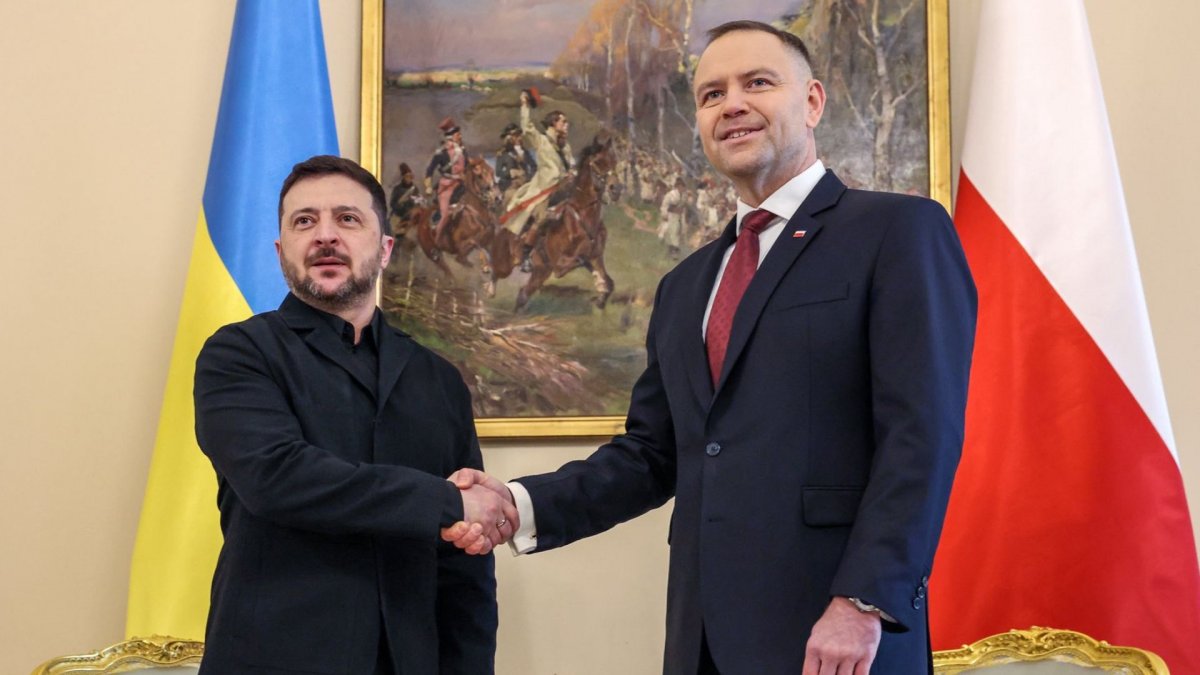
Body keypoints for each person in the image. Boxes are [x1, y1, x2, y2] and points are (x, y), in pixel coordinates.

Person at [446, 20, 977, 675]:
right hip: (702, 637)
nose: (732, 105)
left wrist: (863, 600)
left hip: (839, 632)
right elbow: (651, 454)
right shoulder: (685, 284)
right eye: (711, 94)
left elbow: (921, 435)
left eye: (758, 83)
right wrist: (518, 503)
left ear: (812, 101)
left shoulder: (897, 230)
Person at [194, 155, 517, 674]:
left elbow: (464, 563)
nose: (325, 235)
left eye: (347, 219)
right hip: (274, 660)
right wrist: (446, 502)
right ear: (281, 251)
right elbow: (277, 478)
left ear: (384, 249)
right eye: (304, 221)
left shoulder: (439, 379)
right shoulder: (238, 353)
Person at [502, 88, 575, 271]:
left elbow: (571, 165)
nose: (567, 125)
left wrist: (572, 173)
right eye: (563, 122)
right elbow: (527, 127)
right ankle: (526, 255)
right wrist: (525, 105)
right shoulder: (541, 141)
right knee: (542, 217)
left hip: (563, 189)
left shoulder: (565, 146)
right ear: (553, 123)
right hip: (544, 191)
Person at [425, 117, 468, 241]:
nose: (460, 136)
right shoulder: (441, 153)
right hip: (447, 186)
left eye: (459, 134)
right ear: (451, 137)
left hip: (462, 184)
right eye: (458, 135)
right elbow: (429, 171)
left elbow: (468, 167)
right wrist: (428, 186)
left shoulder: (463, 151)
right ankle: (437, 240)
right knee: (445, 215)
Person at [495, 122, 537, 200]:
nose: (519, 138)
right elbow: (498, 172)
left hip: (526, 183)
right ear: (508, 138)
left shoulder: (525, 152)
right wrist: (510, 173)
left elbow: (534, 167)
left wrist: (528, 176)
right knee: (511, 196)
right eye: (516, 136)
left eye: (519, 135)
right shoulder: (502, 154)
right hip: (510, 185)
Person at [387, 161, 420, 234]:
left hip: (411, 218)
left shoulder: (415, 189)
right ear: (403, 177)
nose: (408, 179)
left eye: (410, 177)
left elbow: (417, 202)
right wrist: (401, 204)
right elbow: (392, 204)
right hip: (398, 216)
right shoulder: (397, 189)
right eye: (407, 177)